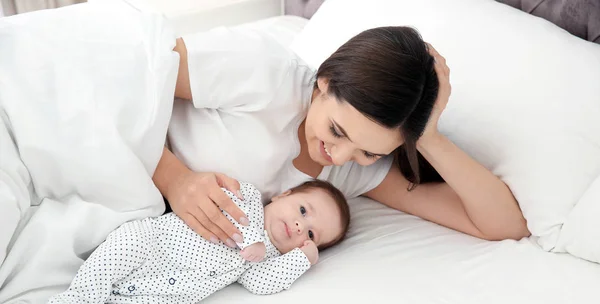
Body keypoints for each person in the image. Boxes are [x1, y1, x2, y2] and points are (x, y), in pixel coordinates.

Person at [154, 25, 530, 251]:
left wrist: (427, 136)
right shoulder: (263, 71)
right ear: (326, 82)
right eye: (337, 130)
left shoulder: (352, 173)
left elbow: (505, 226)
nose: (337, 155)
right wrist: (173, 178)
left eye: (368, 151)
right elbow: (127, 77)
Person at [38, 180, 350, 304]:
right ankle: (80, 299)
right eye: (303, 211)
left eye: (311, 235)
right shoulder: (249, 198)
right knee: (119, 251)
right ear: (285, 195)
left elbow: (259, 283)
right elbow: (225, 198)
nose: (299, 226)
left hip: (168, 291)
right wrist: (254, 237)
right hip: (153, 245)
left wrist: (300, 261)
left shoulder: (269, 260)